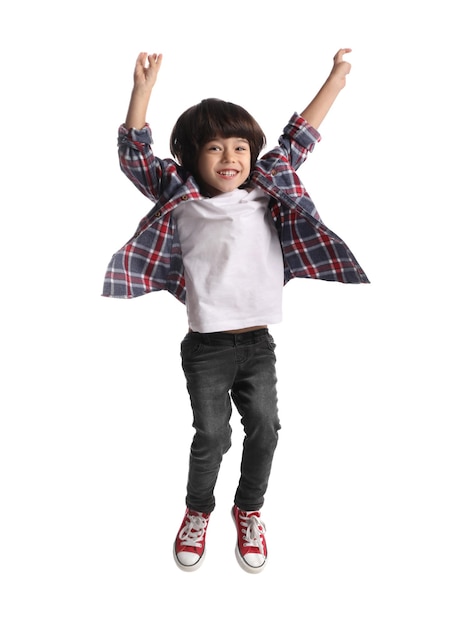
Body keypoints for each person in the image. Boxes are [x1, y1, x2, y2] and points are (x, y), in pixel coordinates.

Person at [103, 48, 369, 573]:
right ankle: (197, 512)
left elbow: (301, 136)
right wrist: (142, 91)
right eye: (215, 148)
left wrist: (335, 79)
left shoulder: (268, 186)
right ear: (192, 158)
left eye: (240, 147)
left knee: (266, 427)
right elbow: (134, 154)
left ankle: (248, 510)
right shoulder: (179, 193)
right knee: (213, 434)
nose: (231, 157)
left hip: (258, 343)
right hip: (207, 346)